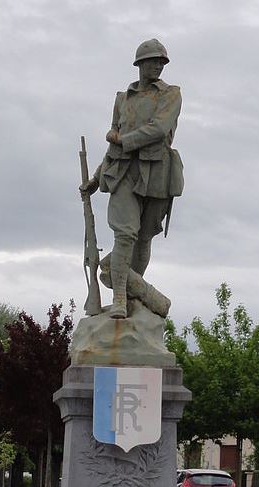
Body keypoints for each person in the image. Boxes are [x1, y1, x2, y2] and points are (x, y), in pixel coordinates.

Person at [80, 38, 184, 319]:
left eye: (162, 62)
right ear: (140, 64)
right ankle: (120, 298)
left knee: (144, 238)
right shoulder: (122, 99)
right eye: (153, 61)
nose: (159, 66)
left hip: (157, 173)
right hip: (123, 171)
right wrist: (97, 177)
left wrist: (122, 139)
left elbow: (159, 128)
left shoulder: (170, 94)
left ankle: (132, 291)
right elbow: (114, 145)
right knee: (125, 233)